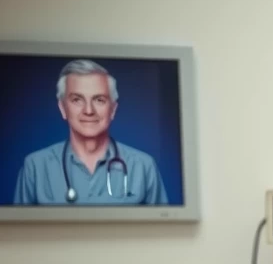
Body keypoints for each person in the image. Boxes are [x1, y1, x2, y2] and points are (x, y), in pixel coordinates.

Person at [13, 59, 169, 206]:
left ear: (113, 109)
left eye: (99, 100)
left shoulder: (143, 166)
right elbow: (17, 232)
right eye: (77, 100)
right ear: (62, 108)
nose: (88, 110)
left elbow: (164, 231)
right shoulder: (35, 167)